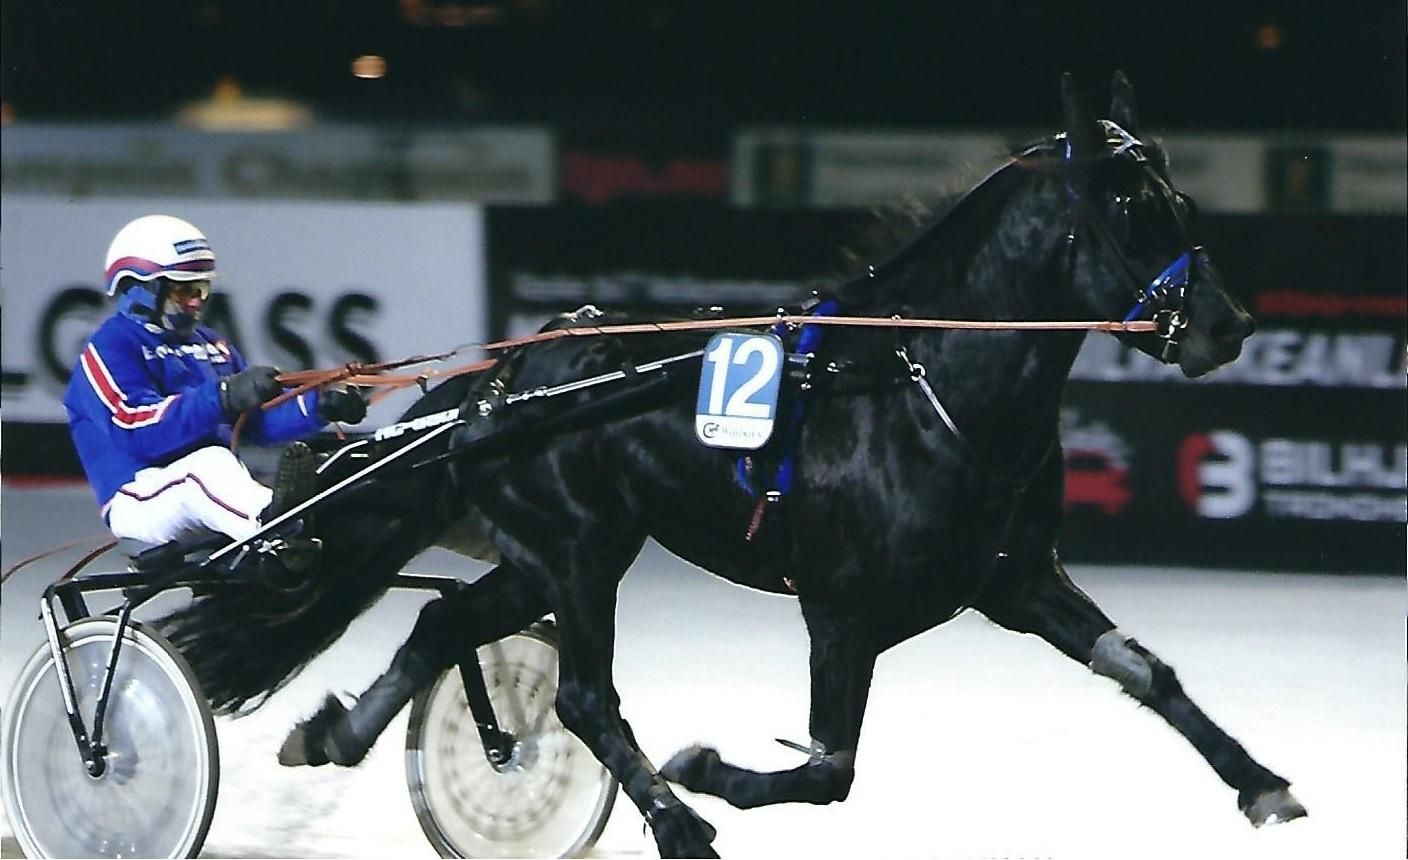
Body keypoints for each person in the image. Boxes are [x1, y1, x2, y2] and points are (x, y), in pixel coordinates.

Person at [64, 214, 368, 549]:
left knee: (235, 466)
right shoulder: (110, 348)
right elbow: (136, 428)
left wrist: (318, 406)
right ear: (139, 288)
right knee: (207, 466)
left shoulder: (211, 345)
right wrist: (223, 396)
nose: (196, 301)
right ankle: (275, 531)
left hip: (211, 485)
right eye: (182, 290)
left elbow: (255, 423)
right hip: (139, 496)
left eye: (201, 289)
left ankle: (298, 522)